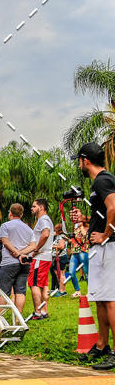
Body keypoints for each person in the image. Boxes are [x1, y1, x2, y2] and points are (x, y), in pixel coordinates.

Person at [70, 143, 115, 369]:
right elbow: (104, 212)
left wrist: (106, 235)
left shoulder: (103, 180)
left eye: (79, 159)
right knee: (100, 298)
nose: (78, 163)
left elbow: (114, 208)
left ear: (85, 160)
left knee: (110, 300)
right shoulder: (100, 182)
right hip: (100, 248)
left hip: (108, 247)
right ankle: (101, 345)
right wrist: (86, 220)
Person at [18, 198, 54, 320]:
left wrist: (36, 249)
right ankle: (44, 311)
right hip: (46, 256)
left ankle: (38, 312)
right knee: (43, 285)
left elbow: (45, 234)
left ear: (41, 207)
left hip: (40, 257)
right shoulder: (45, 219)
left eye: (34, 206)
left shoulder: (43, 219)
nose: (32, 208)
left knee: (34, 284)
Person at [0, 204, 34, 315]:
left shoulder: (5, 226)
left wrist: (17, 254)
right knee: (20, 291)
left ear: (10, 213)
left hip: (9, 262)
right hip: (25, 263)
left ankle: (0, 319)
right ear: (21, 214)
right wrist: (22, 254)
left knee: (2, 291)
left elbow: (5, 242)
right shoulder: (28, 228)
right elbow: (33, 246)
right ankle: (18, 319)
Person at [68, 222, 89, 297]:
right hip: (74, 253)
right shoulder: (75, 229)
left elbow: (86, 236)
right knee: (71, 272)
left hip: (83, 252)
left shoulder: (87, 228)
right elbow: (74, 240)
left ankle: (91, 291)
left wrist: (81, 226)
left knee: (86, 272)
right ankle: (77, 291)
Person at [50, 223, 68, 296]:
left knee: (60, 275)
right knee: (61, 274)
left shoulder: (60, 237)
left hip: (59, 257)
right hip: (62, 257)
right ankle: (62, 290)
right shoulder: (63, 236)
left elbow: (61, 246)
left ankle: (62, 291)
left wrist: (52, 246)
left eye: (55, 228)